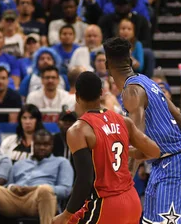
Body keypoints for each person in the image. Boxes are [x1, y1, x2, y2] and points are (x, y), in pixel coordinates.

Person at [103, 37, 181, 224]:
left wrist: (124, 185)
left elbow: (137, 139)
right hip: (168, 161)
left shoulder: (131, 92)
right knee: (153, 221)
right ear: (131, 61)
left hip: (174, 161)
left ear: (107, 65)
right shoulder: (147, 81)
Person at [52, 72, 160, 224]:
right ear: (101, 93)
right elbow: (154, 151)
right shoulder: (124, 121)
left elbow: (85, 179)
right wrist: (127, 151)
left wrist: (66, 214)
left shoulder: (78, 130)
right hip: (132, 200)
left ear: (77, 97)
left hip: (105, 203)